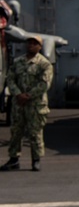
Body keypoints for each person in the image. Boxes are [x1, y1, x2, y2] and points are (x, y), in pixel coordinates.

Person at [1, 36, 54, 172]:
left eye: (34, 44)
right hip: (19, 104)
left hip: (35, 105)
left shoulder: (44, 64)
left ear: (39, 47)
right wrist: (18, 94)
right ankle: (14, 159)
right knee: (16, 132)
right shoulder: (18, 62)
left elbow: (44, 84)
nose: (31, 45)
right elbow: (10, 79)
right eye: (29, 43)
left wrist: (28, 96)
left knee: (35, 133)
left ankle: (36, 160)